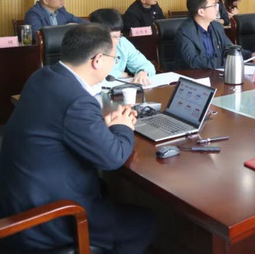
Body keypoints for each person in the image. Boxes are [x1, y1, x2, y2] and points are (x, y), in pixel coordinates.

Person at [0, 24, 156, 252]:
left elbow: (62, 126)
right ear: (98, 60)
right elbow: (113, 158)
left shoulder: (43, 76)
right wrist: (122, 127)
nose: (115, 63)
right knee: (145, 223)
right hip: (49, 217)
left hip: (18, 199)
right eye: (114, 58)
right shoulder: (77, 100)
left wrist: (101, 128)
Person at [176, 0, 255, 69]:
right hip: (196, 77)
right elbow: (193, 62)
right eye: (213, 5)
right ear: (201, 12)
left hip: (217, 73)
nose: (217, 8)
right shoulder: (185, 32)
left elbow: (229, 48)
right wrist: (226, 62)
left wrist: (250, 55)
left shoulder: (216, 26)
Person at [90, 8, 156, 86]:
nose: (114, 41)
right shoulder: (87, 45)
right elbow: (87, 74)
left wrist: (142, 72)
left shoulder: (122, 43)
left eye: (117, 36)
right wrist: (119, 74)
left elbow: (147, 65)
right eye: (110, 37)